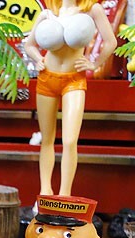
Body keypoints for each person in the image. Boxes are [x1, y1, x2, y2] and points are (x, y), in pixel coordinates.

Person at [24, 0, 117, 197]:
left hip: (74, 80)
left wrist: (94, 64)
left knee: (70, 140)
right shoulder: (48, 13)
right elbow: (29, 45)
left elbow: (111, 42)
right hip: (47, 78)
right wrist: (38, 59)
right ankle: (45, 191)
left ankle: (64, 195)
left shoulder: (92, 10)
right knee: (47, 140)